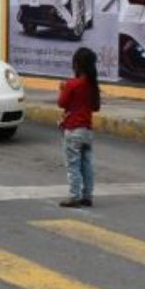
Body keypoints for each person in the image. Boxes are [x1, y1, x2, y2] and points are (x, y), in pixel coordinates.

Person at [58, 47, 100, 208]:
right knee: (87, 164)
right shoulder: (92, 85)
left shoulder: (72, 84)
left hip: (73, 129)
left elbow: (62, 103)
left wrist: (62, 89)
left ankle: (74, 196)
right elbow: (95, 107)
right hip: (87, 130)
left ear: (76, 64)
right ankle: (87, 195)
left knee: (73, 164)